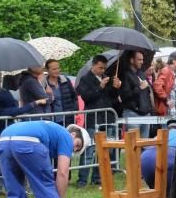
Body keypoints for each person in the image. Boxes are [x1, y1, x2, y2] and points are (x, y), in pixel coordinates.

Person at [0, 120, 90, 198]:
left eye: (77, 150)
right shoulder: (66, 136)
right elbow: (62, 172)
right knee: (45, 187)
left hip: (4, 140)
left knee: (14, 190)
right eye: (77, 145)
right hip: (29, 142)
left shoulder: (52, 130)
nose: (73, 149)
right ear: (73, 134)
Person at [75, 54, 120, 187]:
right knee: (89, 150)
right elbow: (87, 97)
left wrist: (116, 88)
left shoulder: (106, 78)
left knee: (105, 150)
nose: (102, 70)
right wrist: (100, 86)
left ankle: (97, 177)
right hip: (93, 118)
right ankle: (82, 180)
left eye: (104, 68)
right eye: (100, 67)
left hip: (107, 117)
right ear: (93, 65)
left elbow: (111, 98)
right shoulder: (85, 79)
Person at [119, 50, 155, 137]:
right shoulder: (125, 75)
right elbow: (124, 96)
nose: (142, 62)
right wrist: (139, 88)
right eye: (139, 60)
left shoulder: (141, 73)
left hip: (145, 114)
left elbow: (147, 92)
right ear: (132, 60)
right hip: (133, 114)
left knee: (144, 145)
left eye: (142, 59)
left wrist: (150, 110)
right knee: (133, 145)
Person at [153, 51, 176, 120]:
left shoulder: (172, 72)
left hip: (173, 113)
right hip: (168, 113)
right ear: (174, 61)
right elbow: (157, 85)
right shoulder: (166, 71)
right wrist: (166, 99)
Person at [45, 59, 78, 125]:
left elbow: (74, 97)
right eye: (54, 69)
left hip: (68, 118)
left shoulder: (65, 80)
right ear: (47, 70)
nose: (57, 71)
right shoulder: (44, 83)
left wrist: (74, 111)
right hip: (53, 120)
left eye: (58, 68)